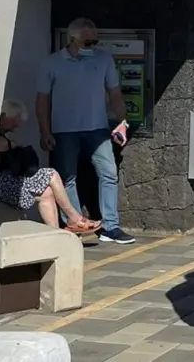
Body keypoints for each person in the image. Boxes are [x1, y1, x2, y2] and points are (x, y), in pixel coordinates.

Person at [35, 17, 135, 245]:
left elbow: (115, 93)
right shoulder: (52, 63)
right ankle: (74, 223)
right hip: (64, 130)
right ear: (72, 39)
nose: (92, 46)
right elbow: (42, 100)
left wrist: (123, 122)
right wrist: (44, 131)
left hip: (98, 128)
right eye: (87, 42)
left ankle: (111, 226)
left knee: (109, 173)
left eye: (95, 41)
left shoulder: (104, 59)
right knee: (68, 178)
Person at [0, 98, 101, 235]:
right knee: (51, 174)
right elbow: (0, 147)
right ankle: (74, 218)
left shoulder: (3, 136)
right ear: (5, 116)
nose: (16, 126)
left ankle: (55, 235)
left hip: (5, 182)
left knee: (46, 192)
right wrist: (12, 146)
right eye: (16, 121)